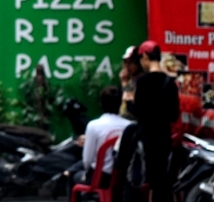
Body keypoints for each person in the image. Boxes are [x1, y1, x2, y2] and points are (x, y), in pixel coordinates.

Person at [132, 40, 180, 202]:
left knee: (148, 181)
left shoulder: (142, 83)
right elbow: (174, 115)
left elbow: (138, 112)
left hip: (147, 139)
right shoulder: (170, 83)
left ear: (145, 56)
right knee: (163, 181)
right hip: (164, 139)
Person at [65, 87, 130, 196]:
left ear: (101, 104)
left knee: (73, 177)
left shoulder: (94, 126)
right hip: (123, 178)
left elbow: (87, 161)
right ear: (120, 103)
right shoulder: (129, 125)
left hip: (101, 178)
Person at [119, 46, 143, 120]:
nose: (127, 65)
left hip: (135, 121)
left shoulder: (142, 80)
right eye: (126, 62)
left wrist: (125, 84)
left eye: (131, 62)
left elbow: (131, 100)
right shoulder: (128, 79)